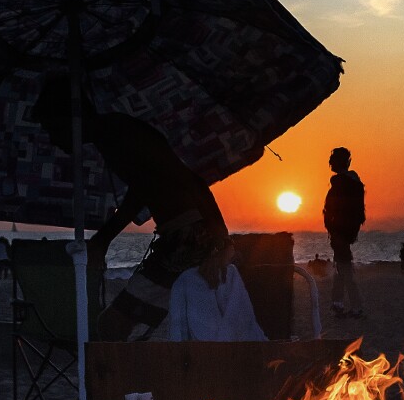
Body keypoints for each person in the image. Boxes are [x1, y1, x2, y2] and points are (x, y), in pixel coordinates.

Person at [32, 75, 229, 340]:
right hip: (181, 240)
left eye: (50, 127)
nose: (52, 138)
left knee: (114, 326)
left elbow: (192, 181)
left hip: (189, 241)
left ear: (69, 117)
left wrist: (222, 244)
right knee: (128, 327)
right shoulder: (112, 136)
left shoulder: (119, 133)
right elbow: (140, 193)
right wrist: (103, 240)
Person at [169, 238, 266, 342]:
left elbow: (178, 332)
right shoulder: (229, 274)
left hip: (206, 350)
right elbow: (244, 323)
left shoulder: (184, 280)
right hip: (225, 349)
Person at [322, 146, 365, 318]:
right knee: (341, 267)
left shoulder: (341, 184)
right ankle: (338, 303)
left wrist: (332, 227)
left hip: (340, 232)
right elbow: (359, 213)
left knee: (345, 268)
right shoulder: (354, 183)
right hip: (345, 232)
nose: (330, 163)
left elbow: (332, 209)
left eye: (332, 160)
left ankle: (355, 307)